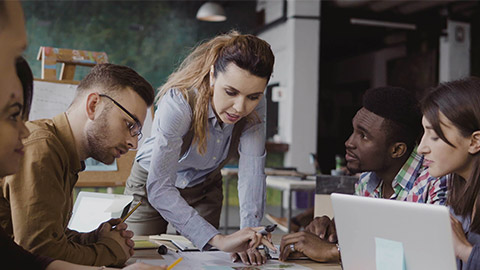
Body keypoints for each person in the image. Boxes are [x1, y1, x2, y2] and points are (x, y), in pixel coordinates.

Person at [123, 31, 275, 265]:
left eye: (253, 96)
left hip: (205, 185)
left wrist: (250, 234)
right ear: (213, 74)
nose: (240, 107)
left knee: (204, 263)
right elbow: (160, 187)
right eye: (231, 92)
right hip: (151, 185)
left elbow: (252, 169)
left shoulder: (257, 105)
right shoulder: (179, 101)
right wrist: (219, 239)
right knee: (138, 259)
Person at [0, 45, 156, 266]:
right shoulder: (42, 149)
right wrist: (111, 250)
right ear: (93, 105)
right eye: (129, 125)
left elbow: (52, 238)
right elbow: (39, 253)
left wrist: (92, 239)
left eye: (137, 131)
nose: (134, 143)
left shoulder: (63, 154)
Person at [277, 86, 448, 262]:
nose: (349, 142)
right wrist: (329, 232)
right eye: (354, 131)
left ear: (397, 150)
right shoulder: (367, 181)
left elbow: (430, 251)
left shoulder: (436, 180)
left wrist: (332, 252)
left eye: (363, 136)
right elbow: (361, 237)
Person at [417, 77, 480, 270]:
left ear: (475, 142)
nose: (421, 148)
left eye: (434, 136)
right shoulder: (456, 193)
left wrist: (463, 249)